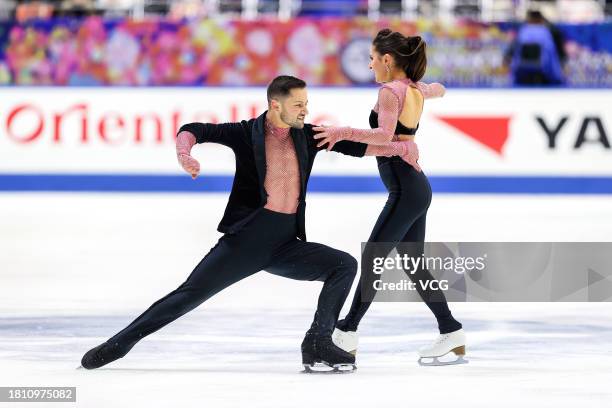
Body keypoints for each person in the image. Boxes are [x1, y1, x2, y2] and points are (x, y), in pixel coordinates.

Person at [80, 75, 418, 373]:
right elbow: (192, 131)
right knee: (187, 296)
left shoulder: (309, 136)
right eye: (298, 104)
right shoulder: (244, 133)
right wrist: (185, 154)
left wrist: (402, 147)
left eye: (307, 103)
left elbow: (360, 147)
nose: (305, 110)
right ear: (275, 104)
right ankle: (119, 344)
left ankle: (317, 342)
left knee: (343, 265)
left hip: (286, 243)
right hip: (246, 242)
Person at [313, 29, 466, 366]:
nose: (369, 66)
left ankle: (347, 331)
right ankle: (451, 331)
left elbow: (382, 135)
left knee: (375, 258)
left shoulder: (389, 91)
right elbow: (437, 89)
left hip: (405, 189)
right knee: (414, 265)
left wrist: (340, 132)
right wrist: (426, 91)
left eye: (372, 58)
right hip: (416, 187)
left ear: (387, 59)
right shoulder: (414, 89)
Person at [504, 10, 566, 86]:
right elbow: (552, 58)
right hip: (543, 76)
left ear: (528, 20)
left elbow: (511, 55)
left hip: (522, 77)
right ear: (541, 20)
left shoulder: (523, 32)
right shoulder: (545, 33)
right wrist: (557, 78)